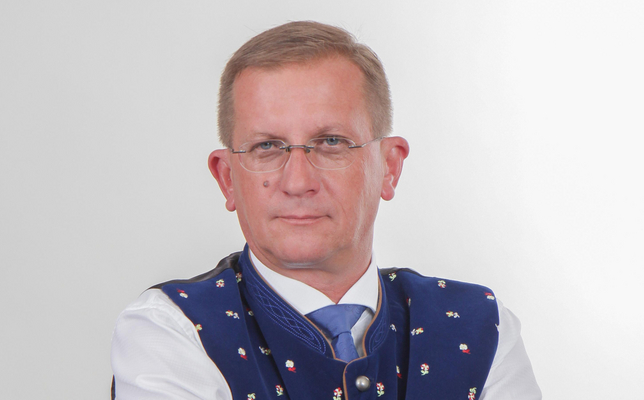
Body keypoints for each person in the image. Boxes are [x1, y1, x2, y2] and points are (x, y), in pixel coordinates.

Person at [110, 21, 541, 400]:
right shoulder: (172, 330)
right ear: (227, 179)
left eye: (331, 142)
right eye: (267, 146)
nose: (298, 182)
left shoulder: (480, 326)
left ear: (389, 167)